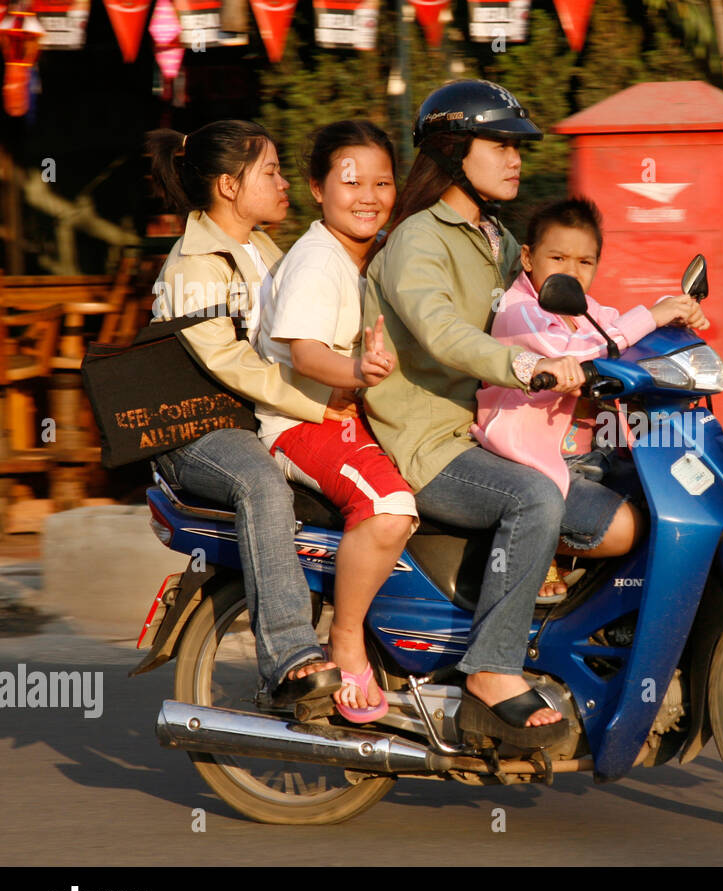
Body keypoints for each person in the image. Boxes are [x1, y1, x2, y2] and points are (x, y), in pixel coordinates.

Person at [362, 79, 586, 748]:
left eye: (520, 147)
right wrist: (526, 368)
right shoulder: (417, 241)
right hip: (427, 444)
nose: (516, 159)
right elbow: (442, 332)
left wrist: (635, 338)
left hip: (484, 433)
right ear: (456, 151)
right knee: (538, 500)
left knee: (615, 500)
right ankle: (490, 674)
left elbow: (545, 319)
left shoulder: (493, 237)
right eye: (501, 145)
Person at [145, 120, 348, 710]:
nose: (285, 183)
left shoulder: (262, 248)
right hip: (199, 428)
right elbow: (234, 365)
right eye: (272, 172)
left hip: (256, 415)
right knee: (260, 483)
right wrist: (323, 402)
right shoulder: (193, 265)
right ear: (230, 186)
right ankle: (289, 658)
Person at [254, 120, 418, 724]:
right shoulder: (319, 260)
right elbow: (305, 353)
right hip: (301, 425)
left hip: (347, 416)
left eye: (382, 182)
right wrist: (357, 369)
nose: (368, 195)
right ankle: (346, 640)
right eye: (351, 182)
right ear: (318, 188)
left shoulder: (372, 252)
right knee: (389, 508)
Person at [473, 197, 707, 575]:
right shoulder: (518, 311)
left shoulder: (581, 309)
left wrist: (673, 308)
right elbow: (574, 356)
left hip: (594, 457)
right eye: (558, 259)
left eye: (585, 262)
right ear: (529, 259)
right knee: (627, 530)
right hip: (537, 465)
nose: (572, 272)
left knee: (674, 498)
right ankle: (536, 545)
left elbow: (619, 326)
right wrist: (651, 316)